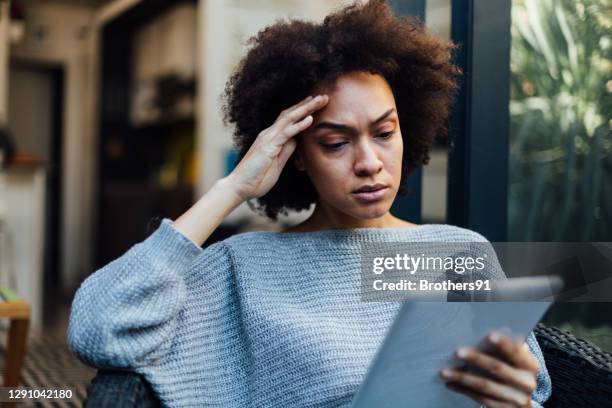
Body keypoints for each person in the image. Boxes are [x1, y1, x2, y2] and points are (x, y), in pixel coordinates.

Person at [68, 1, 551, 407]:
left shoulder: (459, 252)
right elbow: (99, 327)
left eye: (384, 133)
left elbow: (530, 391)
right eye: (336, 143)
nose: (369, 162)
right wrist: (231, 188)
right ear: (296, 155)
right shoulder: (244, 267)